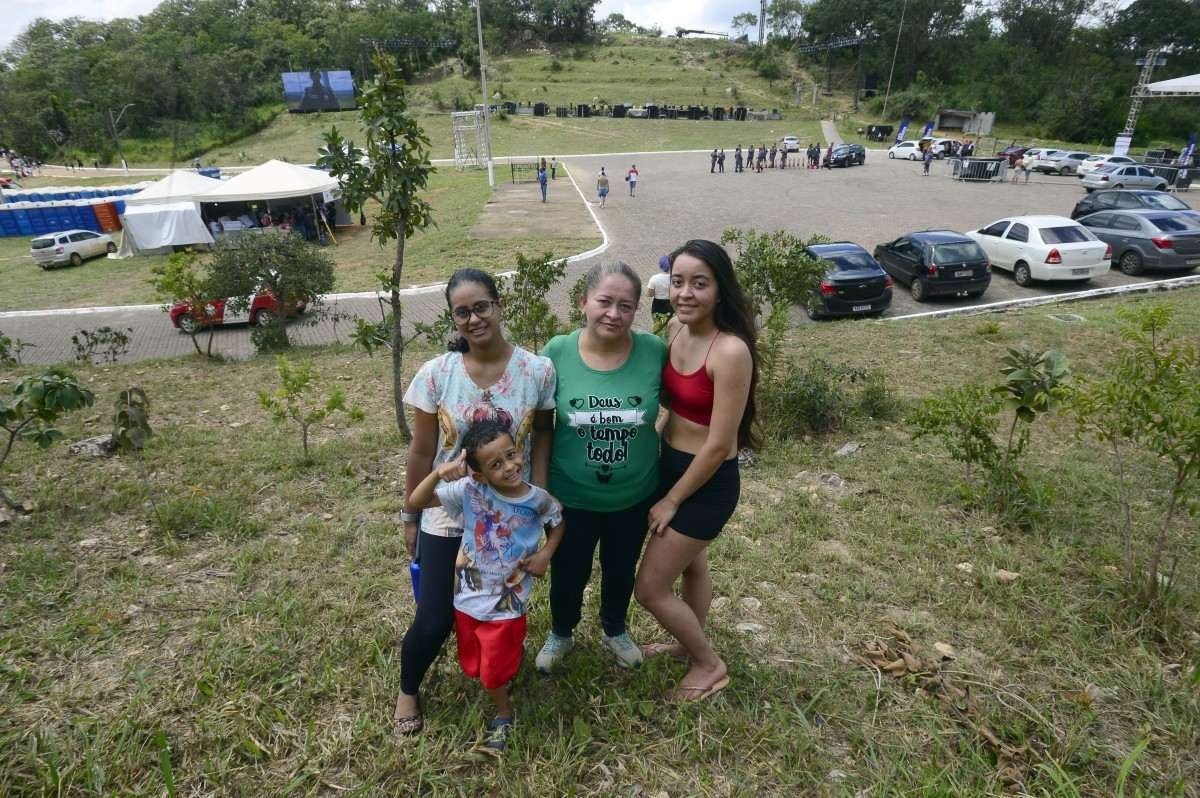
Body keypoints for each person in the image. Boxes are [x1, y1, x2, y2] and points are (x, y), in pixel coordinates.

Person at [393, 268, 556, 736]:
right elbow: (423, 452)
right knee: (435, 615)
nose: (473, 318)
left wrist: (539, 503)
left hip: (509, 516)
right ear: (453, 318)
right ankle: (408, 689)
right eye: (461, 312)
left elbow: (542, 436)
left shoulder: (537, 370)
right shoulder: (436, 374)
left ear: (498, 305)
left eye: (481, 306)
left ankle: (495, 671)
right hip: (448, 511)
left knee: (499, 604)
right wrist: (411, 515)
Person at [635, 239, 758, 702]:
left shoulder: (729, 352)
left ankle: (709, 664)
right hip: (671, 465)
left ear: (720, 291)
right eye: (679, 281)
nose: (685, 292)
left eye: (699, 284)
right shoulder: (676, 329)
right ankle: (690, 641)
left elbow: (720, 444)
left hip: (705, 483)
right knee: (693, 564)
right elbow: (667, 402)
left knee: (649, 587)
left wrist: (672, 499)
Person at [535, 262, 668, 674]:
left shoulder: (654, 351)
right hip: (570, 495)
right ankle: (561, 632)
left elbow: (681, 406)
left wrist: (654, 435)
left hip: (634, 494)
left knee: (620, 568)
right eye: (605, 302)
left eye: (626, 306)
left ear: (636, 311)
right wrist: (539, 493)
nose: (614, 313)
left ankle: (614, 628)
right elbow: (540, 426)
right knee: (568, 571)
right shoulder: (556, 352)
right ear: (583, 302)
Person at [407, 420, 565, 755]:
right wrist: (439, 472)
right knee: (474, 666)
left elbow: (557, 522)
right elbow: (416, 500)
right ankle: (507, 664)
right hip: (466, 599)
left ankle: (504, 713)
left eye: (511, 454)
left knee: (491, 675)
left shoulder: (538, 500)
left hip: (507, 604)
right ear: (478, 474)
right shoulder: (470, 492)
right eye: (496, 464)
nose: (510, 466)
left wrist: (545, 554)